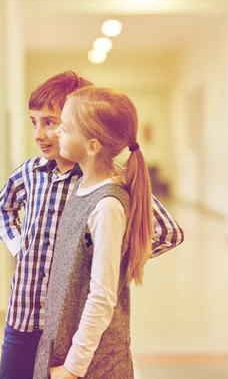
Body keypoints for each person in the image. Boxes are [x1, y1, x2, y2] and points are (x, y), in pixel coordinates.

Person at [0, 71, 185, 379]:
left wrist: (108, 261)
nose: (39, 133)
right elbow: (0, 207)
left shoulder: (106, 183)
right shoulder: (32, 171)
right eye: (33, 122)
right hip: (25, 315)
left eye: (52, 123)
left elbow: (167, 232)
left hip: (72, 326)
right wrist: (20, 249)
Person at [34, 86, 160, 378]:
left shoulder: (107, 206)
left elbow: (102, 297)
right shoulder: (81, 188)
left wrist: (72, 368)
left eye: (65, 128)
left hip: (93, 363)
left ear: (92, 146)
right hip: (64, 345)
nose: (56, 134)